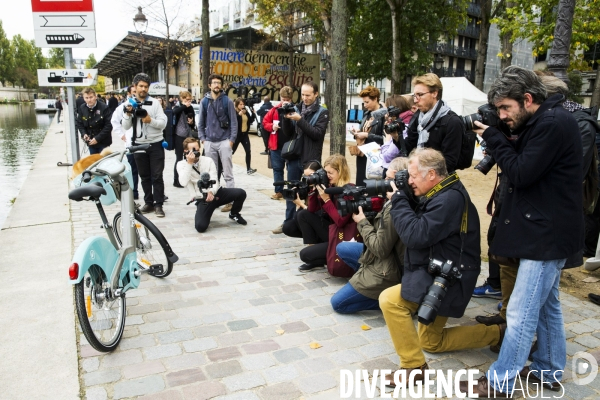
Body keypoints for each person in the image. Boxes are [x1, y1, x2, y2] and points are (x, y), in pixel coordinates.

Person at [459, 66, 583, 397]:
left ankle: (501, 381)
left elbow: (521, 172)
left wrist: (494, 137)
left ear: (527, 99)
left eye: (505, 108)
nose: (501, 115)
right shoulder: (545, 121)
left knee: (520, 311)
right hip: (546, 231)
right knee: (546, 306)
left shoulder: (553, 124)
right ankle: (549, 369)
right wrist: (502, 132)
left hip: (546, 235)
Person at [380, 148, 502, 388]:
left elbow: (415, 235)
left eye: (413, 176)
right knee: (431, 342)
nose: (409, 181)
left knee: (390, 301)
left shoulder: (449, 199)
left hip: (450, 277)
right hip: (443, 268)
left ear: (432, 174)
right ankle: (499, 333)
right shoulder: (445, 188)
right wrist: (407, 194)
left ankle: (414, 367)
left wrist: (399, 198)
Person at [330, 157, 407, 314]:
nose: (385, 182)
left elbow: (380, 249)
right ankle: (365, 279)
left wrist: (363, 222)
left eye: (389, 179)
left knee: (338, 304)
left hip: (388, 267)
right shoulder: (393, 200)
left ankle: (389, 301)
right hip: (383, 257)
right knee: (343, 247)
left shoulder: (397, 206)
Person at [278, 82, 329, 234]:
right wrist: (286, 119)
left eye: (308, 95)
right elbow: (288, 134)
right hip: (294, 157)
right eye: (302, 94)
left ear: (316, 94)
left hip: (311, 159)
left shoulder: (322, 112)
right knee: (291, 191)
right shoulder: (296, 108)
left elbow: (317, 134)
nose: (304, 98)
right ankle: (288, 223)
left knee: (310, 194)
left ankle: (307, 224)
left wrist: (300, 119)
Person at [293, 154, 353, 272]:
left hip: (343, 237)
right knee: (303, 215)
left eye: (330, 172)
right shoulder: (329, 186)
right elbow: (311, 210)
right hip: (332, 231)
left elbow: (341, 222)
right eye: (325, 172)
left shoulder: (348, 190)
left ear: (340, 172)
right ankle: (320, 254)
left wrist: (326, 199)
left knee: (305, 255)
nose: (327, 175)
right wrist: (313, 191)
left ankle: (324, 256)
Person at [122, 73, 168, 218]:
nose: (143, 89)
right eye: (140, 86)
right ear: (134, 87)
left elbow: (162, 124)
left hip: (155, 144)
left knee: (157, 175)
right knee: (144, 176)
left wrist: (150, 120)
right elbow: (126, 126)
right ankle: (148, 202)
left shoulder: (155, 103)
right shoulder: (129, 103)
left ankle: (159, 204)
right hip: (138, 145)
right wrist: (128, 114)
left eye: (146, 87)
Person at [177, 137, 247, 232]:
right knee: (200, 227)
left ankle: (234, 213)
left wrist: (211, 191)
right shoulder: (181, 165)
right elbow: (183, 182)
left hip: (216, 192)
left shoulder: (208, 160)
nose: (196, 152)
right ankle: (205, 211)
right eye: (193, 150)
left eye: (197, 149)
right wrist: (189, 164)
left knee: (241, 193)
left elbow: (214, 179)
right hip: (202, 197)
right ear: (186, 151)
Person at [400, 73, 464, 173]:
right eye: (414, 96)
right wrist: (396, 136)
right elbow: (408, 149)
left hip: (438, 182)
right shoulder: (418, 117)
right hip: (418, 177)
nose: (415, 100)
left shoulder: (452, 122)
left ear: (434, 93)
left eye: (420, 95)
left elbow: (449, 163)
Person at [198, 74, 238, 214]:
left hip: (224, 141)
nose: (216, 85)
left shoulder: (228, 101)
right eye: (214, 83)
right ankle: (213, 197)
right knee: (211, 173)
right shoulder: (204, 102)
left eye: (218, 83)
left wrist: (231, 141)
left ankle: (231, 201)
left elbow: (234, 122)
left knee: (228, 172)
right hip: (209, 141)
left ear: (222, 85)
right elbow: (201, 122)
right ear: (209, 85)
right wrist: (203, 139)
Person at [263, 87, 295, 203]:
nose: (285, 101)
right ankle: (279, 191)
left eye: (287, 99)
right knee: (277, 169)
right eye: (283, 99)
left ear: (291, 99)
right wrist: (272, 126)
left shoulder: (295, 110)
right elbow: (265, 122)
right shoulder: (274, 110)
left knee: (292, 169)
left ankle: (292, 191)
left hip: (291, 146)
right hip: (276, 146)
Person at [350, 86, 386, 186]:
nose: (365, 105)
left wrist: (367, 135)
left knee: (372, 188)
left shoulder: (384, 115)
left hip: (375, 157)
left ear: (375, 99)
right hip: (363, 155)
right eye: (364, 102)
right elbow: (364, 132)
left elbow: (386, 140)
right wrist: (357, 132)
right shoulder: (367, 114)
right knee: (361, 186)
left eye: (367, 102)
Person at [111, 85, 140, 200]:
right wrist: (122, 135)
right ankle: (134, 191)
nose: (135, 94)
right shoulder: (123, 106)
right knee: (133, 169)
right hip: (130, 144)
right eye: (133, 92)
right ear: (129, 93)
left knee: (150, 171)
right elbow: (114, 121)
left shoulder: (145, 104)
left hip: (145, 142)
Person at [75, 87, 112, 155]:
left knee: (104, 163)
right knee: (94, 163)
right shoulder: (82, 108)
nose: (89, 100)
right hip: (91, 142)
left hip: (103, 142)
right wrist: (84, 134)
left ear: (95, 96)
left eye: (91, 97)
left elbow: (109, 125)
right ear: (83, 98)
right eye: (86, 98)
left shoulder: (104, 107)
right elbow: (79, 123)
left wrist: (97, 138)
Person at [172, 91, 197, 188]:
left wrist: (191, 122)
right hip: (178, 135)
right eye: (187, 100)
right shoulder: (178, 107)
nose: (189, 102)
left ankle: (187, 179)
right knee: (179, 158)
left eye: (190, 100)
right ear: (182, 99)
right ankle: (176, 180)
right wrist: (184, 106)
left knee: (189, 157)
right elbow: (175, 112)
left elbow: (193, 122)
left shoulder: (190, 108)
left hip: (188, 135)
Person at [233, 97, 257, 175]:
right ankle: (223, 166)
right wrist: (239, 115)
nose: (242, 106)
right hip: (236, 135)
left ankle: (248, 168)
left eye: (243, 104)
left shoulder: (245, 112)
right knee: (231, 152)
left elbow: (250, 121)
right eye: (240, 104)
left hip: (244, 135)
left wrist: (253, 114)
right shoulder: (234, 112)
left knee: (248, 151)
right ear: (237, 105)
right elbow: (233, 123)